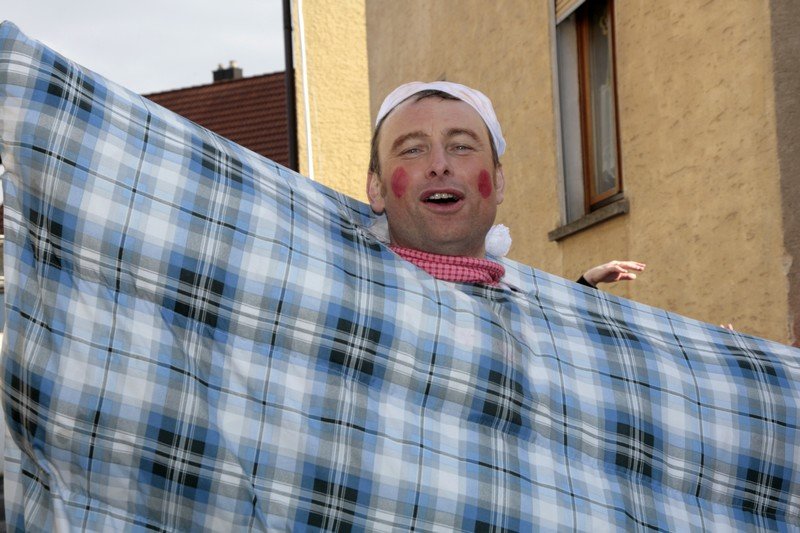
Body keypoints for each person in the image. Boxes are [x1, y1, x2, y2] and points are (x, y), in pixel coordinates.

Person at [366, 81, 646, 290]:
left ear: (498, 181)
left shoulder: (532, 317)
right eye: (413, 149)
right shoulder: (347, 298)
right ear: (376, 188)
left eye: (461, 146)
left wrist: (582, 292)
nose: (439, 164)